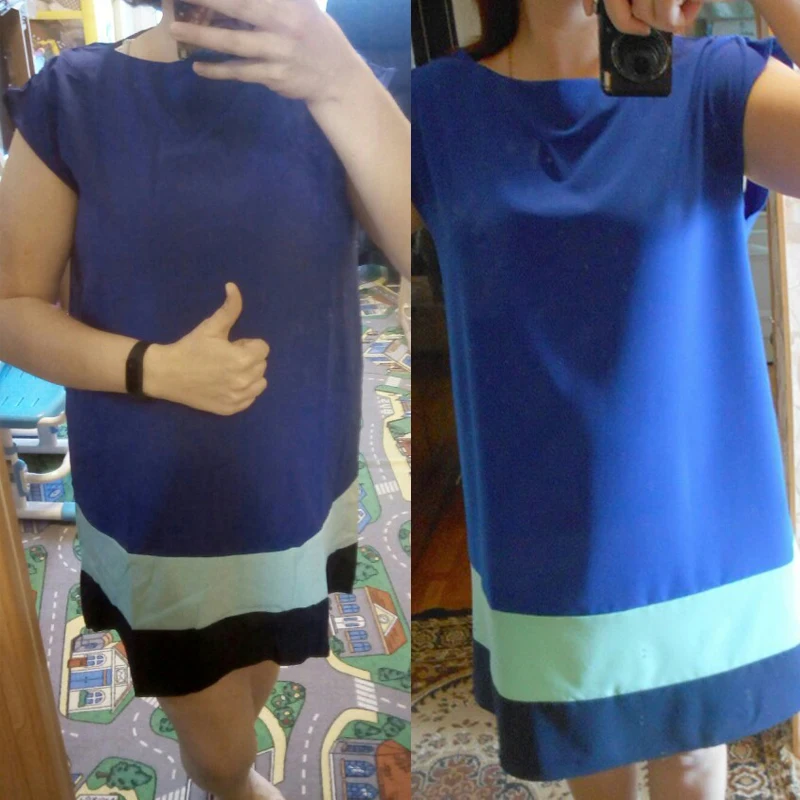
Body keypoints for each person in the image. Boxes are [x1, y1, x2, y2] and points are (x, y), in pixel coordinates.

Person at [0, 0, 410, 797]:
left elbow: (426, 251)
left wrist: (339, 79)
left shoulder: (339, 84)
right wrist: (156, 369)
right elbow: (11, 306)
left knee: (255, 665)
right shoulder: (74, 97)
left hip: (296, 488)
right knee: (221, 754)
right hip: (162, 509)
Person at [410, 0, 800, 797]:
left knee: (694, 755)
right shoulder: (430, 107)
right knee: (592, 757)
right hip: (545, 529)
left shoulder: (715, 84)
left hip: (696, 519)